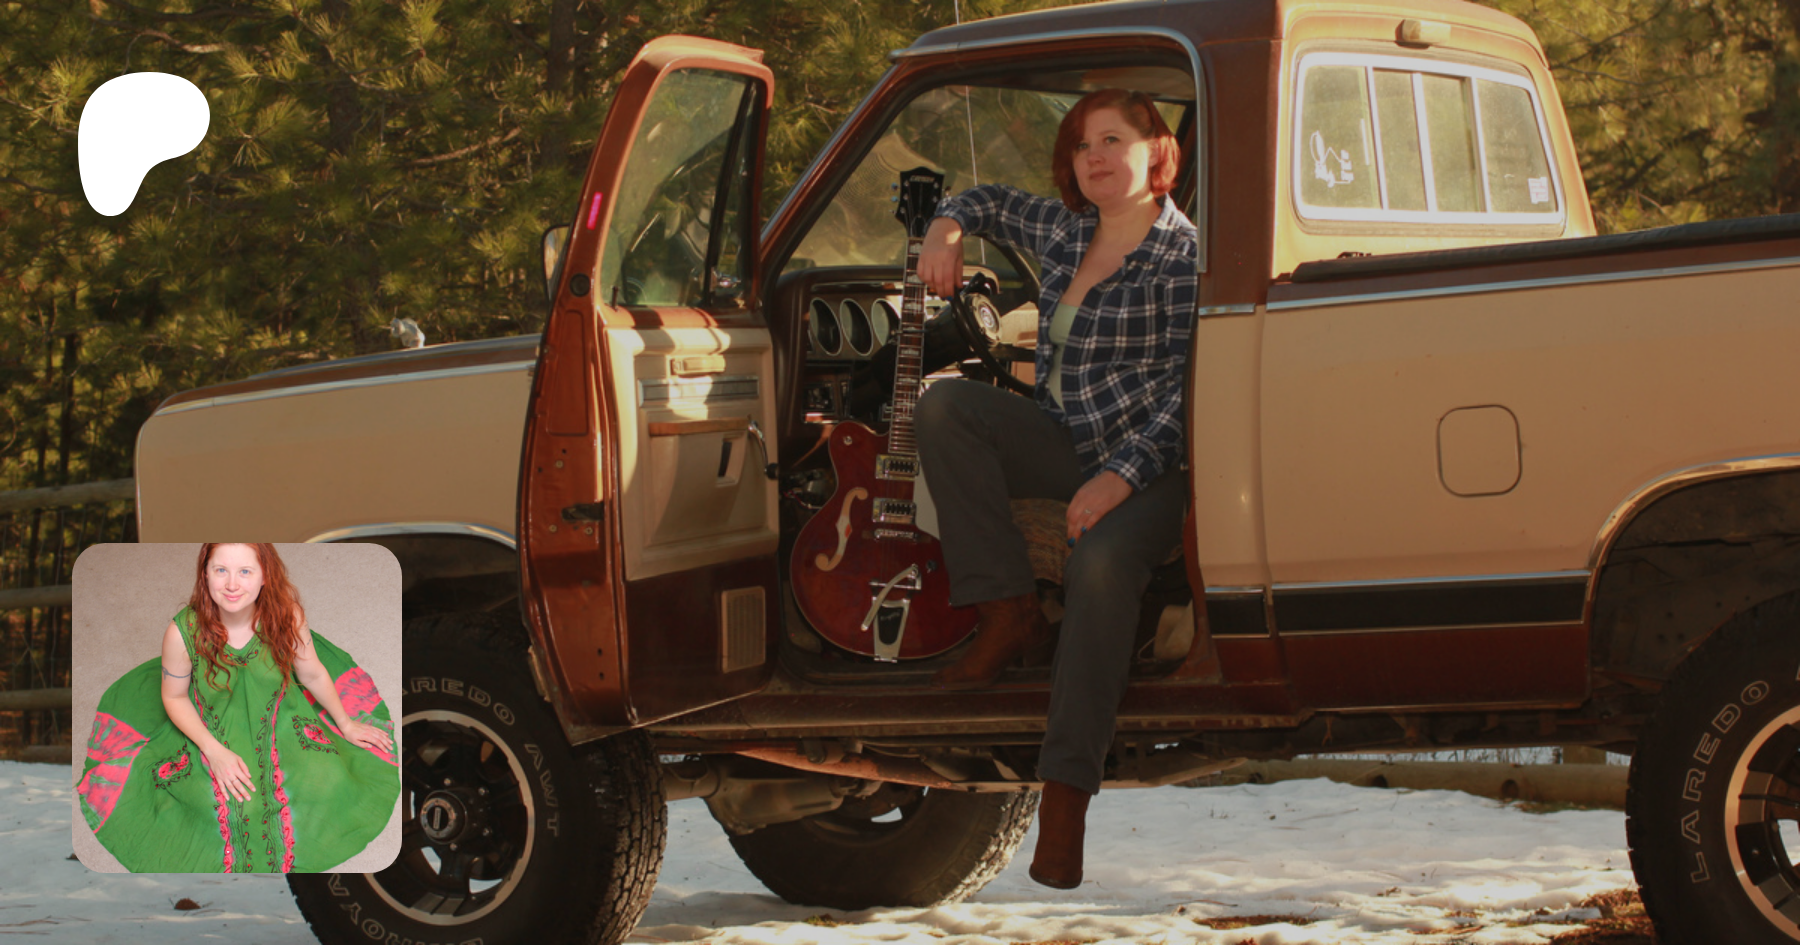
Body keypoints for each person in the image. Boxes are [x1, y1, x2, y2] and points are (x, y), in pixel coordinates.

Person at [914, 88, 1198, 889]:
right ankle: (1007, 611)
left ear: (1156, 152)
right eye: (1081, 144)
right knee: (946, 406)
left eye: (1113, 140)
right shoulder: (1068, 230)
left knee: (1100, 563)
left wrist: (1118, 478)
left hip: (1158, 466)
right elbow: (987, 201)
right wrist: (946, 226)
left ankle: (1066, 791)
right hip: (1069, 441)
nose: (1095, 156)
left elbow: (1189, 394)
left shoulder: (1182, 256)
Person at [76, 543, 400, 872]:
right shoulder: (181, 631)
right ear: (205, 574)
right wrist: (214, 752)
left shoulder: (287, 615)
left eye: (245, 571)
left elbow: (312, 672)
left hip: (283, 722)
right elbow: (174, 697)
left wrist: (345, 723)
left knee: (326, 783)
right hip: (210, 730)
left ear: (265, 576)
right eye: (221, 570)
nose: (232, 584)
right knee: (215, 808)